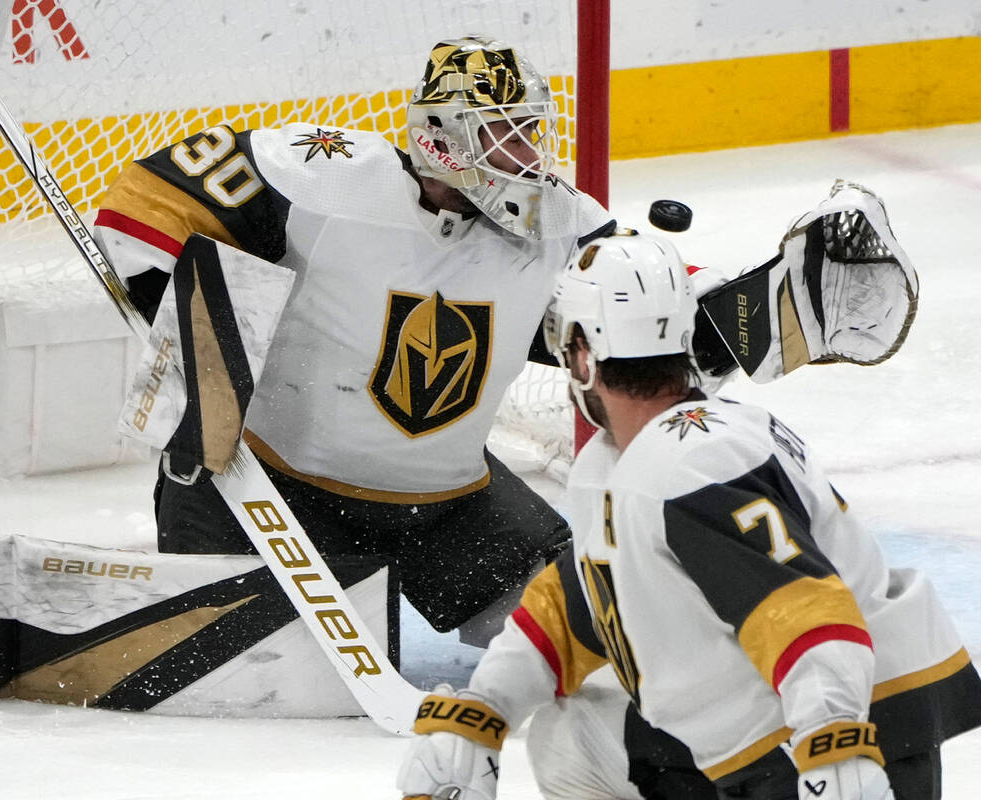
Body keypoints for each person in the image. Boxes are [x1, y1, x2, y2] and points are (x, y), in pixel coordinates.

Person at [397, 231, 981, 800]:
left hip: (850, 735)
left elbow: (801, 608)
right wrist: (484, 709)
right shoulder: (625, 459)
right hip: (807, 714)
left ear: (582, 356)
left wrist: (835, 744)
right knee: (575, 737)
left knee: (587, 734)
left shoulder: (687, 464)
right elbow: (580, 603)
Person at [94, 35, 618, 644]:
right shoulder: (322, 178)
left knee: (583, 637)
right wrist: (197, 342)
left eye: (531, 131)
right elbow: (140, 208)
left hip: (446, 507)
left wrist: (725, 308)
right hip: (271, 493)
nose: (528, 155)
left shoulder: (561, 222)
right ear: (442, 138)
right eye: (503, 133)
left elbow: (647, 300)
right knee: (248, 677)